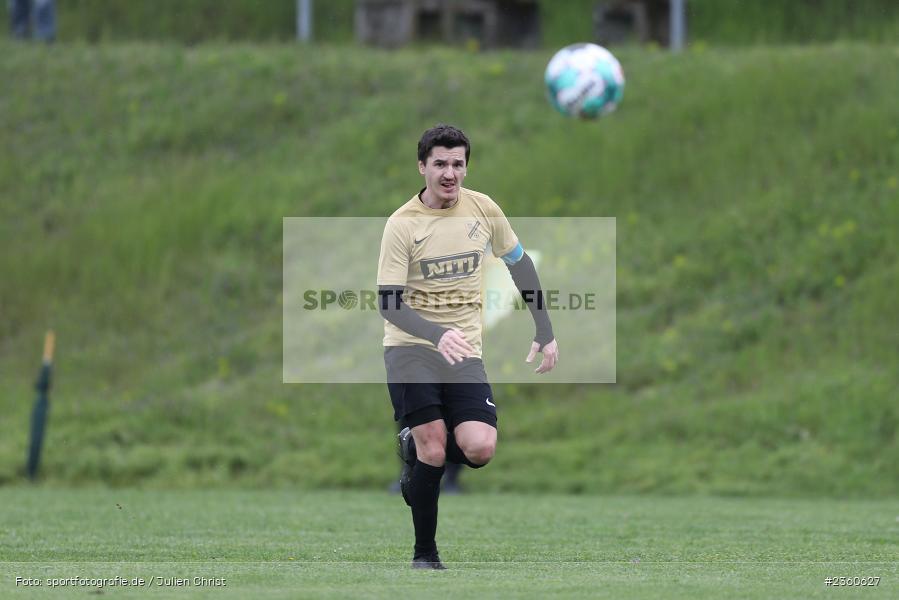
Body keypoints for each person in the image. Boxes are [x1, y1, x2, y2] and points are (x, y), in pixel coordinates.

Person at [377, 124, 559, 569]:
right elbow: (388, 303)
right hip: (411, 350)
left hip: (464, 353)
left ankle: (414, 451)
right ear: (422, 166)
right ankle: (426, 555)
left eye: (458, 163)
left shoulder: (483, 209)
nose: (449, 173)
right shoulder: (403, 225)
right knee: (435, 448)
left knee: (479, 448)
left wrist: (544, 329)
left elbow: (520, 264)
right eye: (440, 163)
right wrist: (437, 333)